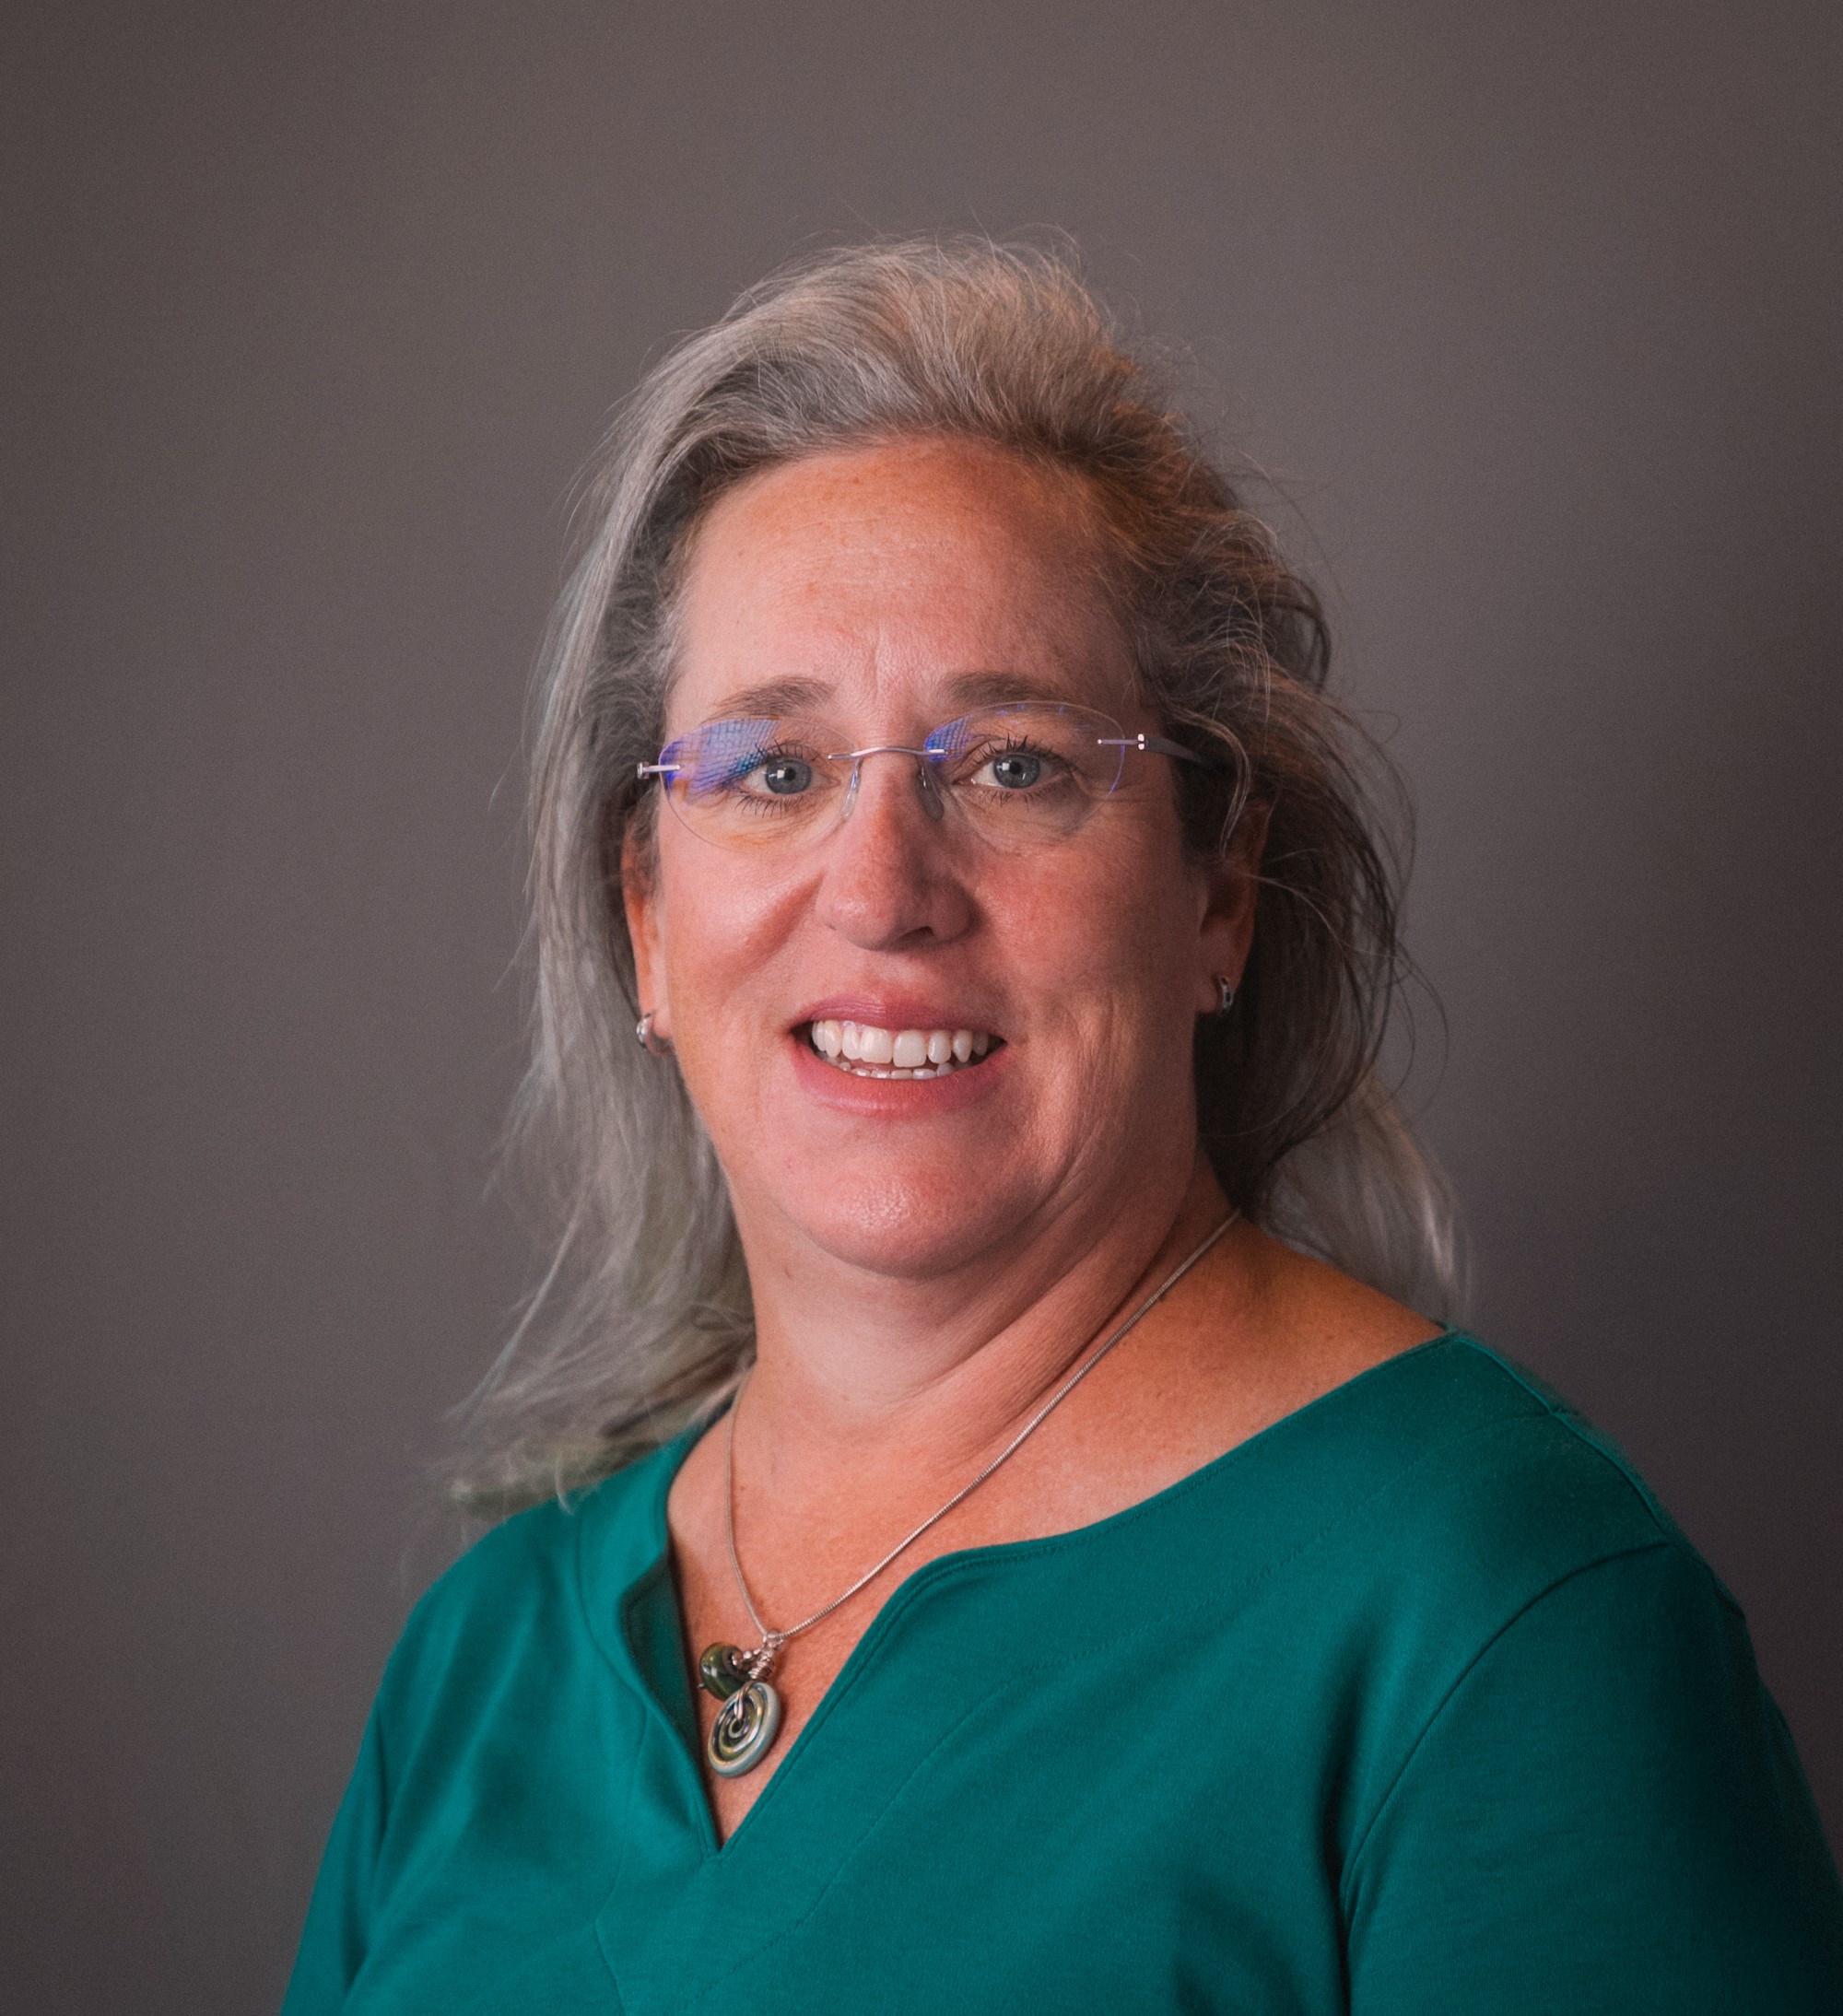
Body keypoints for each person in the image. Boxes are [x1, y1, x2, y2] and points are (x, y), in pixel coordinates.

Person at [283, 240, 1843, 2013]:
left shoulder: (1500, 1628)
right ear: (646, 921)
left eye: (1014, 763)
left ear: (1217, 893)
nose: (880, 892)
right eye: (772, 771)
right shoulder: (485, 1662)